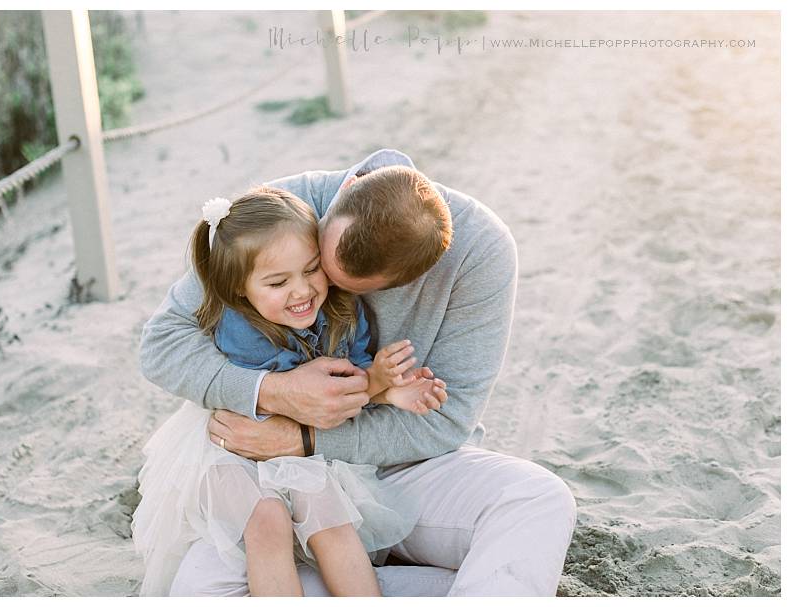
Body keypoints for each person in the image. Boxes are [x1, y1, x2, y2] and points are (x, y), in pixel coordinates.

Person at [139, 149, 577, 596]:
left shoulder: (482, 252)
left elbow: (446, 422)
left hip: (398, 471)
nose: (313, 293)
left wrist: (305, 438)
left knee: (538, 499)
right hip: (264, 474)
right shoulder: (282, 212)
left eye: (340, 286)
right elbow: (162, 346)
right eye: (321, 265)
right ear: (343, 194)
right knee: (199, 589)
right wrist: (276, 392)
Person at [131, 187, 449, 596]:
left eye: (312, 269)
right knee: (267, 521)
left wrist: (384, 386)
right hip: (229, 447)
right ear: (239, 288)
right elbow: (296, 403)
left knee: (330, 516)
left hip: (299, 449)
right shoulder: (241, 330)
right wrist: (373, 389)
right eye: (278, 281)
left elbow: (344, 386)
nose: (301, 291)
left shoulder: (343, 310)